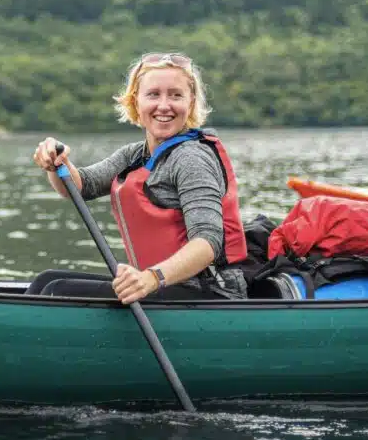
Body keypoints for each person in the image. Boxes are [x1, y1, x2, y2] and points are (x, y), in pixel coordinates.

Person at [28, 51, 250, 304]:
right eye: (153, 94)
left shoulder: (192, 158)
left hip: (210, 293)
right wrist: (57, 162)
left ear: (190, 103)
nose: (164, 105)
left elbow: (208, 243)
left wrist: (150, 279)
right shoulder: (135, 155)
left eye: (176, 95)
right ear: (136, 102)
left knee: (58, 290)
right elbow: (78, 187)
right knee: (46, 281)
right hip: (162, 287)